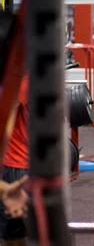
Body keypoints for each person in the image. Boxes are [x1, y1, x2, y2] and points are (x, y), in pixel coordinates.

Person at [0, 75, 31, 246]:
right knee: (13, 232)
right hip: (19, 163)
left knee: (16, 231)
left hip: (17, 166)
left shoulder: (22, 79)